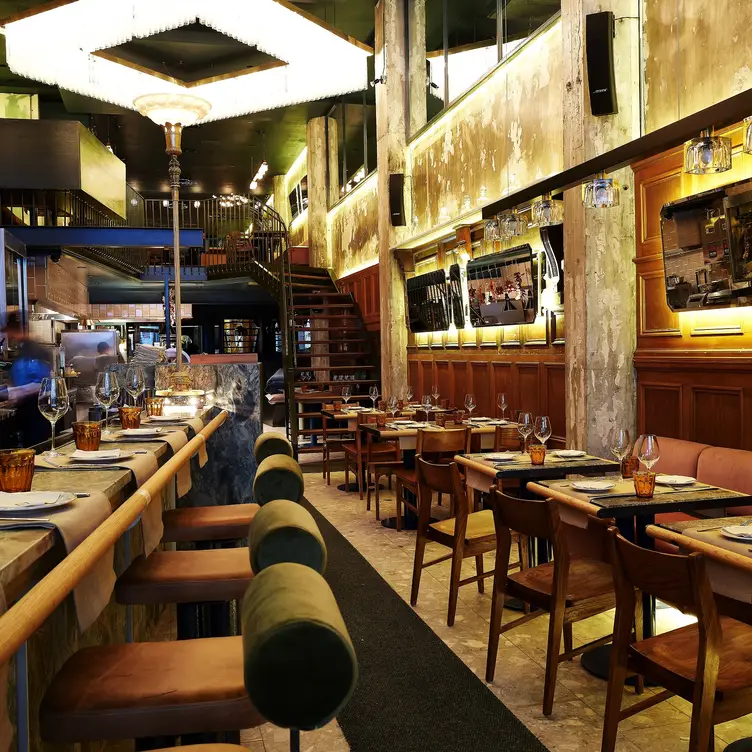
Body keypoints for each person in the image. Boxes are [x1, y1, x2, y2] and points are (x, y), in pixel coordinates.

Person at [0, 314, 53, 446]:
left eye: (12, 332)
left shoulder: (34, 350)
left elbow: (40, 384)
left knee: (36, 447)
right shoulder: (23, 349)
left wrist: (10, 392)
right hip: (25, 410)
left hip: (36, 410)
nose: (11, 336)